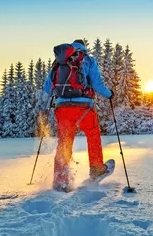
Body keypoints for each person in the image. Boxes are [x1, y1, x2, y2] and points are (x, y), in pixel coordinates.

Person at [43, 39, 113, 191]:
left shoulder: (59, 62)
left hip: (62, 108)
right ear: (84, 48)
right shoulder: (87, 59)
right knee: (93, 134)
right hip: (84, 107)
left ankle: (61, 180)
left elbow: (47, 88)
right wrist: (109, 94)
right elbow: (97, 85)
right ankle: (96, 169)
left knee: (64, 142)